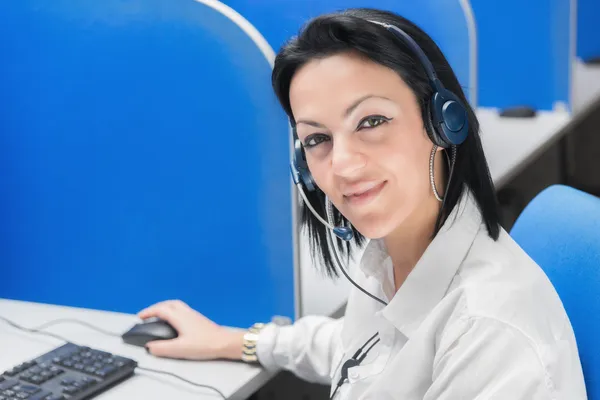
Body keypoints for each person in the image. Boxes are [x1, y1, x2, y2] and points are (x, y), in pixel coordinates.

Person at [137, 8, 587, 399]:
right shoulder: (392, 258)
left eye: (371, 121)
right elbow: (364, 348)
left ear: (442, 123)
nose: (344, 165)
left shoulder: (489, 334)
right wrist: (235, 342)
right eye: (317, 139)